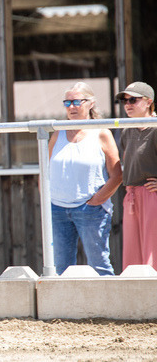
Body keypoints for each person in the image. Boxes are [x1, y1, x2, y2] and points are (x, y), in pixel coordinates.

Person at [48, 82, 121, 276]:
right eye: (67, 102)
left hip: (90, 209)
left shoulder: (101, 133)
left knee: (99, 265)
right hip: (58, 209)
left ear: (90, 103)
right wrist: (48, 199)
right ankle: (64, 306)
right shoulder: (58, 133)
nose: (71, 107)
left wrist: (97, 200)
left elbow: (117, 174)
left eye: (76, 102)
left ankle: (108, 305)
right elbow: (46, 170)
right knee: (60, 267)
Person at [116, 81, 157, 269]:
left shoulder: (155, 128)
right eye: (124, 101)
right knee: (133, 254)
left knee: (152, 250)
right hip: (131, 195)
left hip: (152, 195)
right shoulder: (127, 130)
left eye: (133, 100)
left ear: (148, 102)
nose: (128, 105)